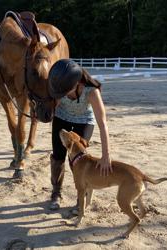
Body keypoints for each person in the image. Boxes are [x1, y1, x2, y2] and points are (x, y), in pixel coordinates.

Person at [48, 59, 112, 210]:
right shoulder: (60, 86)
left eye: (65, 92)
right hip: (62, 117)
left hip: (84, 120)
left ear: (77, 83)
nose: (62, 94)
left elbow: (103, 124)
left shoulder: (91, 92)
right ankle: (56, 192)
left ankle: (81, 196)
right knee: (58, 156)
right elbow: (51, 109)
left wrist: (106, 155)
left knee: (78, 158)